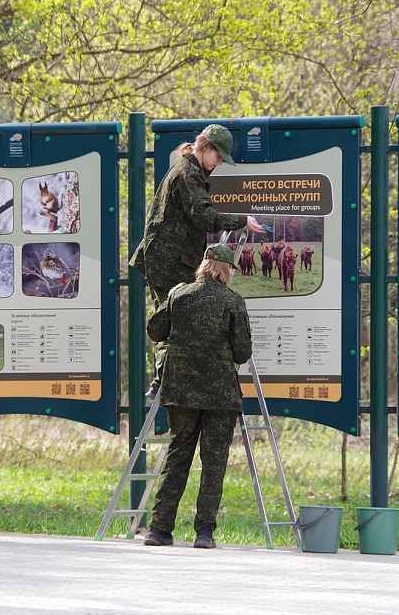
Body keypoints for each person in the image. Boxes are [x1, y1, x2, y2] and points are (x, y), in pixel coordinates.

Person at [129, 124, 264, 396]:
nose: (219, 162)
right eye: (218, 156)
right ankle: (162, 384)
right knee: (172, 318)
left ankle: (168, 382)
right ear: (205, 147)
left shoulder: (191, 170)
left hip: (173, 260)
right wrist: (242, 220)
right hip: (167, 261)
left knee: (178, 317)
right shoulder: (187, 174)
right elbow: (203, 217)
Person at [143, 243, 253, 549]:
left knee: (177, 458)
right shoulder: (233, 301)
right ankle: (204, 533)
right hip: (221, 396)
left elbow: (155, 330)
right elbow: (243, 352)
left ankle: (158, 530)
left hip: (181, 393)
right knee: (214, 462)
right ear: (226, 270)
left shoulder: (179, 295)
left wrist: (169, 298)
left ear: (203, 267)